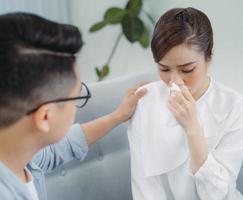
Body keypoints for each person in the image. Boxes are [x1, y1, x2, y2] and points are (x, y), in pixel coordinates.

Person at [0, 12, 147, 200]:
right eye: (77, 96)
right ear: (45, 116)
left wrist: (117, 116)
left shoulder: (20, 152)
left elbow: (61, 147)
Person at [127, 7, 243, 200]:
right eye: (164, 69)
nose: (175, 81)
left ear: (209, 56)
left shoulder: (236, 107)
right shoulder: (144, 101)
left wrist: (193, 129)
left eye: (187, 70)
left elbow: (218, 195)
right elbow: (145, 188)